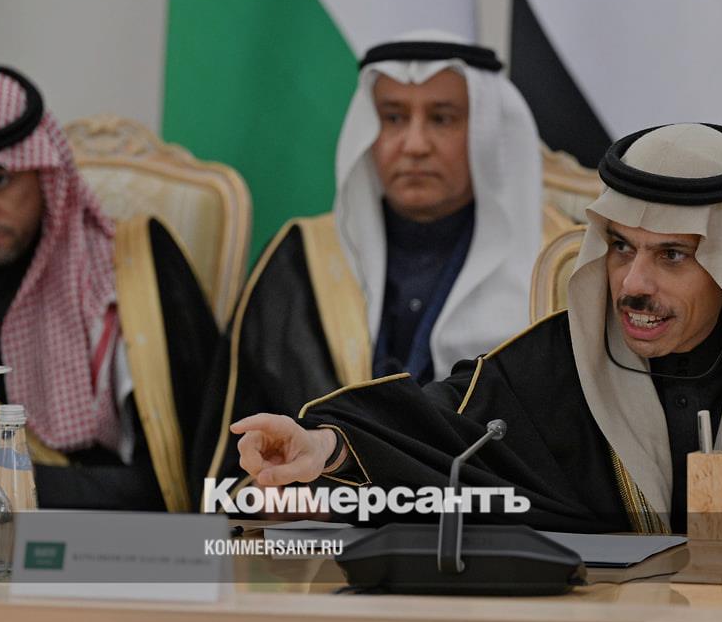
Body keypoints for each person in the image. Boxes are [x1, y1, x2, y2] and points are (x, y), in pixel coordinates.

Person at [228, 123, 722, 550]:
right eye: (622, 248)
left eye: (672, 256)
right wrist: (327, 450)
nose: (633, 283)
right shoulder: (556, 363)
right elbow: (432, 430)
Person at [191, 32, 546, 494]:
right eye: (393, 117)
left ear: (486, 132)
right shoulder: (303, 256)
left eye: (442, 118)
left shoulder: (552, 266)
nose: (414, 144)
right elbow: (234, 449)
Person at [0, 64, 216, 511]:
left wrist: (15, 473)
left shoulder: (132, 274)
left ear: (45, 174)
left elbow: (186, 484)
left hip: (111, 545)